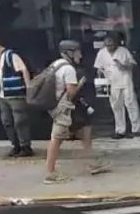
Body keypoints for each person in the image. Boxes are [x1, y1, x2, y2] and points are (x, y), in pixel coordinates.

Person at [45, 40, 109, 184]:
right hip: (63, 109)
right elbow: (71, 93)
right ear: (69, 52)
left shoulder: (56, 64)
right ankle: (50, 173)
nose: (80, 55)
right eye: (77, 52)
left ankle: (91, 162)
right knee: (56, 139)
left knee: (85, 130)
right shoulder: (68, 69)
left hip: (61, 107)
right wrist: (80, 84)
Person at [0, 32, 33, 158]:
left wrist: (29, 89)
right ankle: (16, 145)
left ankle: (25, 146)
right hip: (3, 95)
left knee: (20, 120)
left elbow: (24, 70)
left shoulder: (11, 55)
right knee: (7, 121)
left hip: (15, 94)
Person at [95, 32, 140, 139]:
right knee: (116, 107)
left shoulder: (124, 51)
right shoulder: (101, 53)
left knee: (131, 105)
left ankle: (137, 130)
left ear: (116, 43)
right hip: (112, 83)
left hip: (126, 81)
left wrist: (123, 66)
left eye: (111, 45)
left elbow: (132, 65)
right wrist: (100, 71)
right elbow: (98, 67)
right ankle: (120, 130)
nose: (109, 47)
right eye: (107, 45)